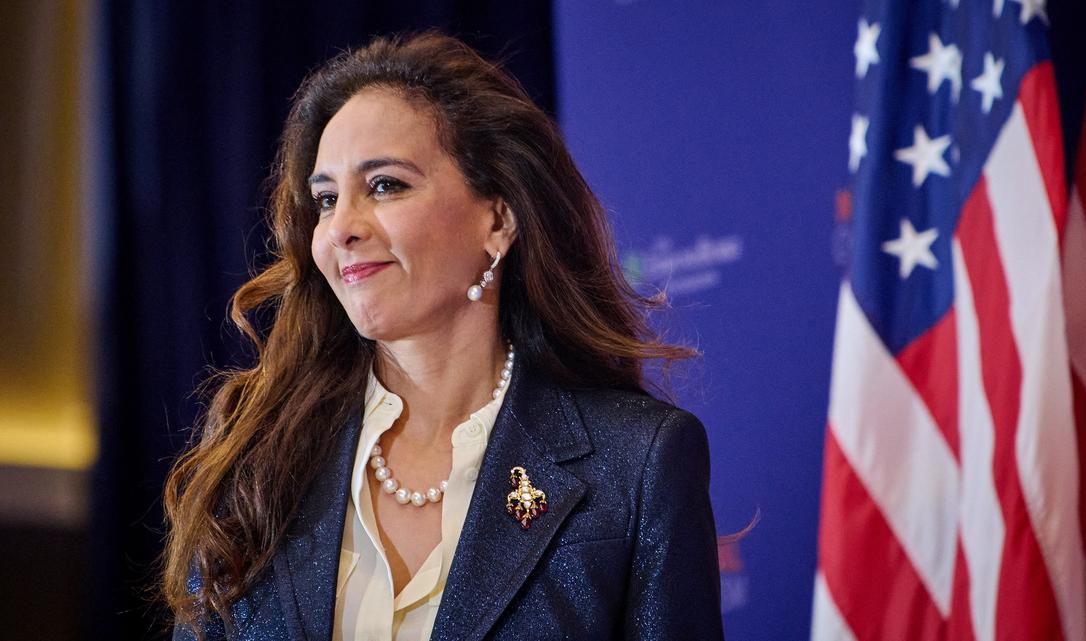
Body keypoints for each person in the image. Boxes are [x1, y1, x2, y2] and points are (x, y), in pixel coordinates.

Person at [161, 31, 722, 641]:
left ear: (498, 219)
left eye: (385, 185)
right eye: (325, 199)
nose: (340, 227)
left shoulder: (637, 464)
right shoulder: (257, 449)